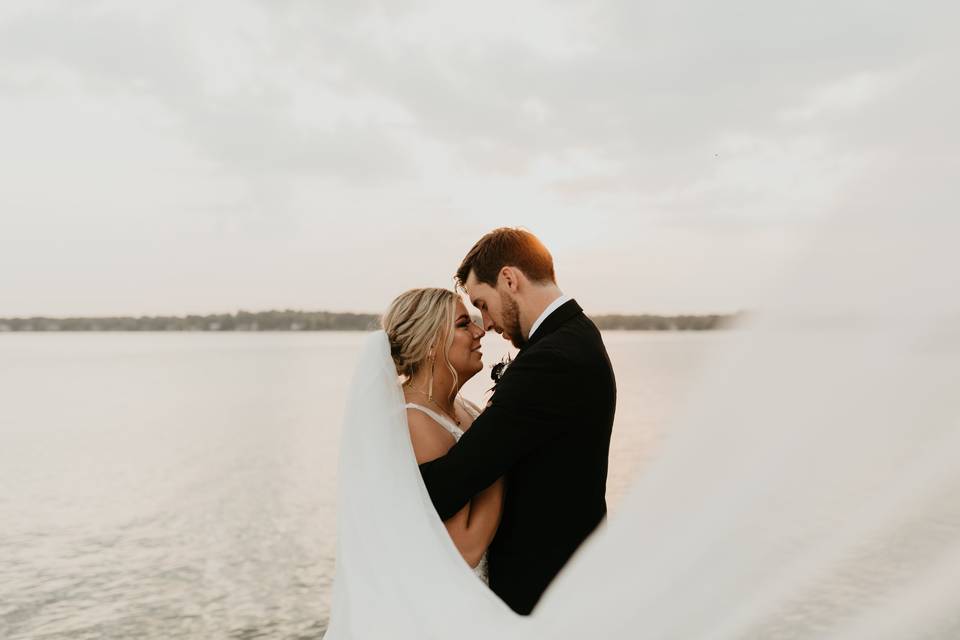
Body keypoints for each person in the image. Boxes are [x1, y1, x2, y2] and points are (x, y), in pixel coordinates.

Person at [419, 227, 618, 615]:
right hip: (571, 580)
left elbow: (451, 484)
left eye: (483, 304)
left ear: (510, 279)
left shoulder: (551, 359)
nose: (487, 324)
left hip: (545, 592)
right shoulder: (574, 335)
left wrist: (382, 477)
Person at [381, 287, 504, 581]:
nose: (479, 331)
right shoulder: (414, 420)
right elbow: (466, 549)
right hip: (458, 602)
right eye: (463, 324)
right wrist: (503, 450)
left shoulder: (465, 406)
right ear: (430, 345)